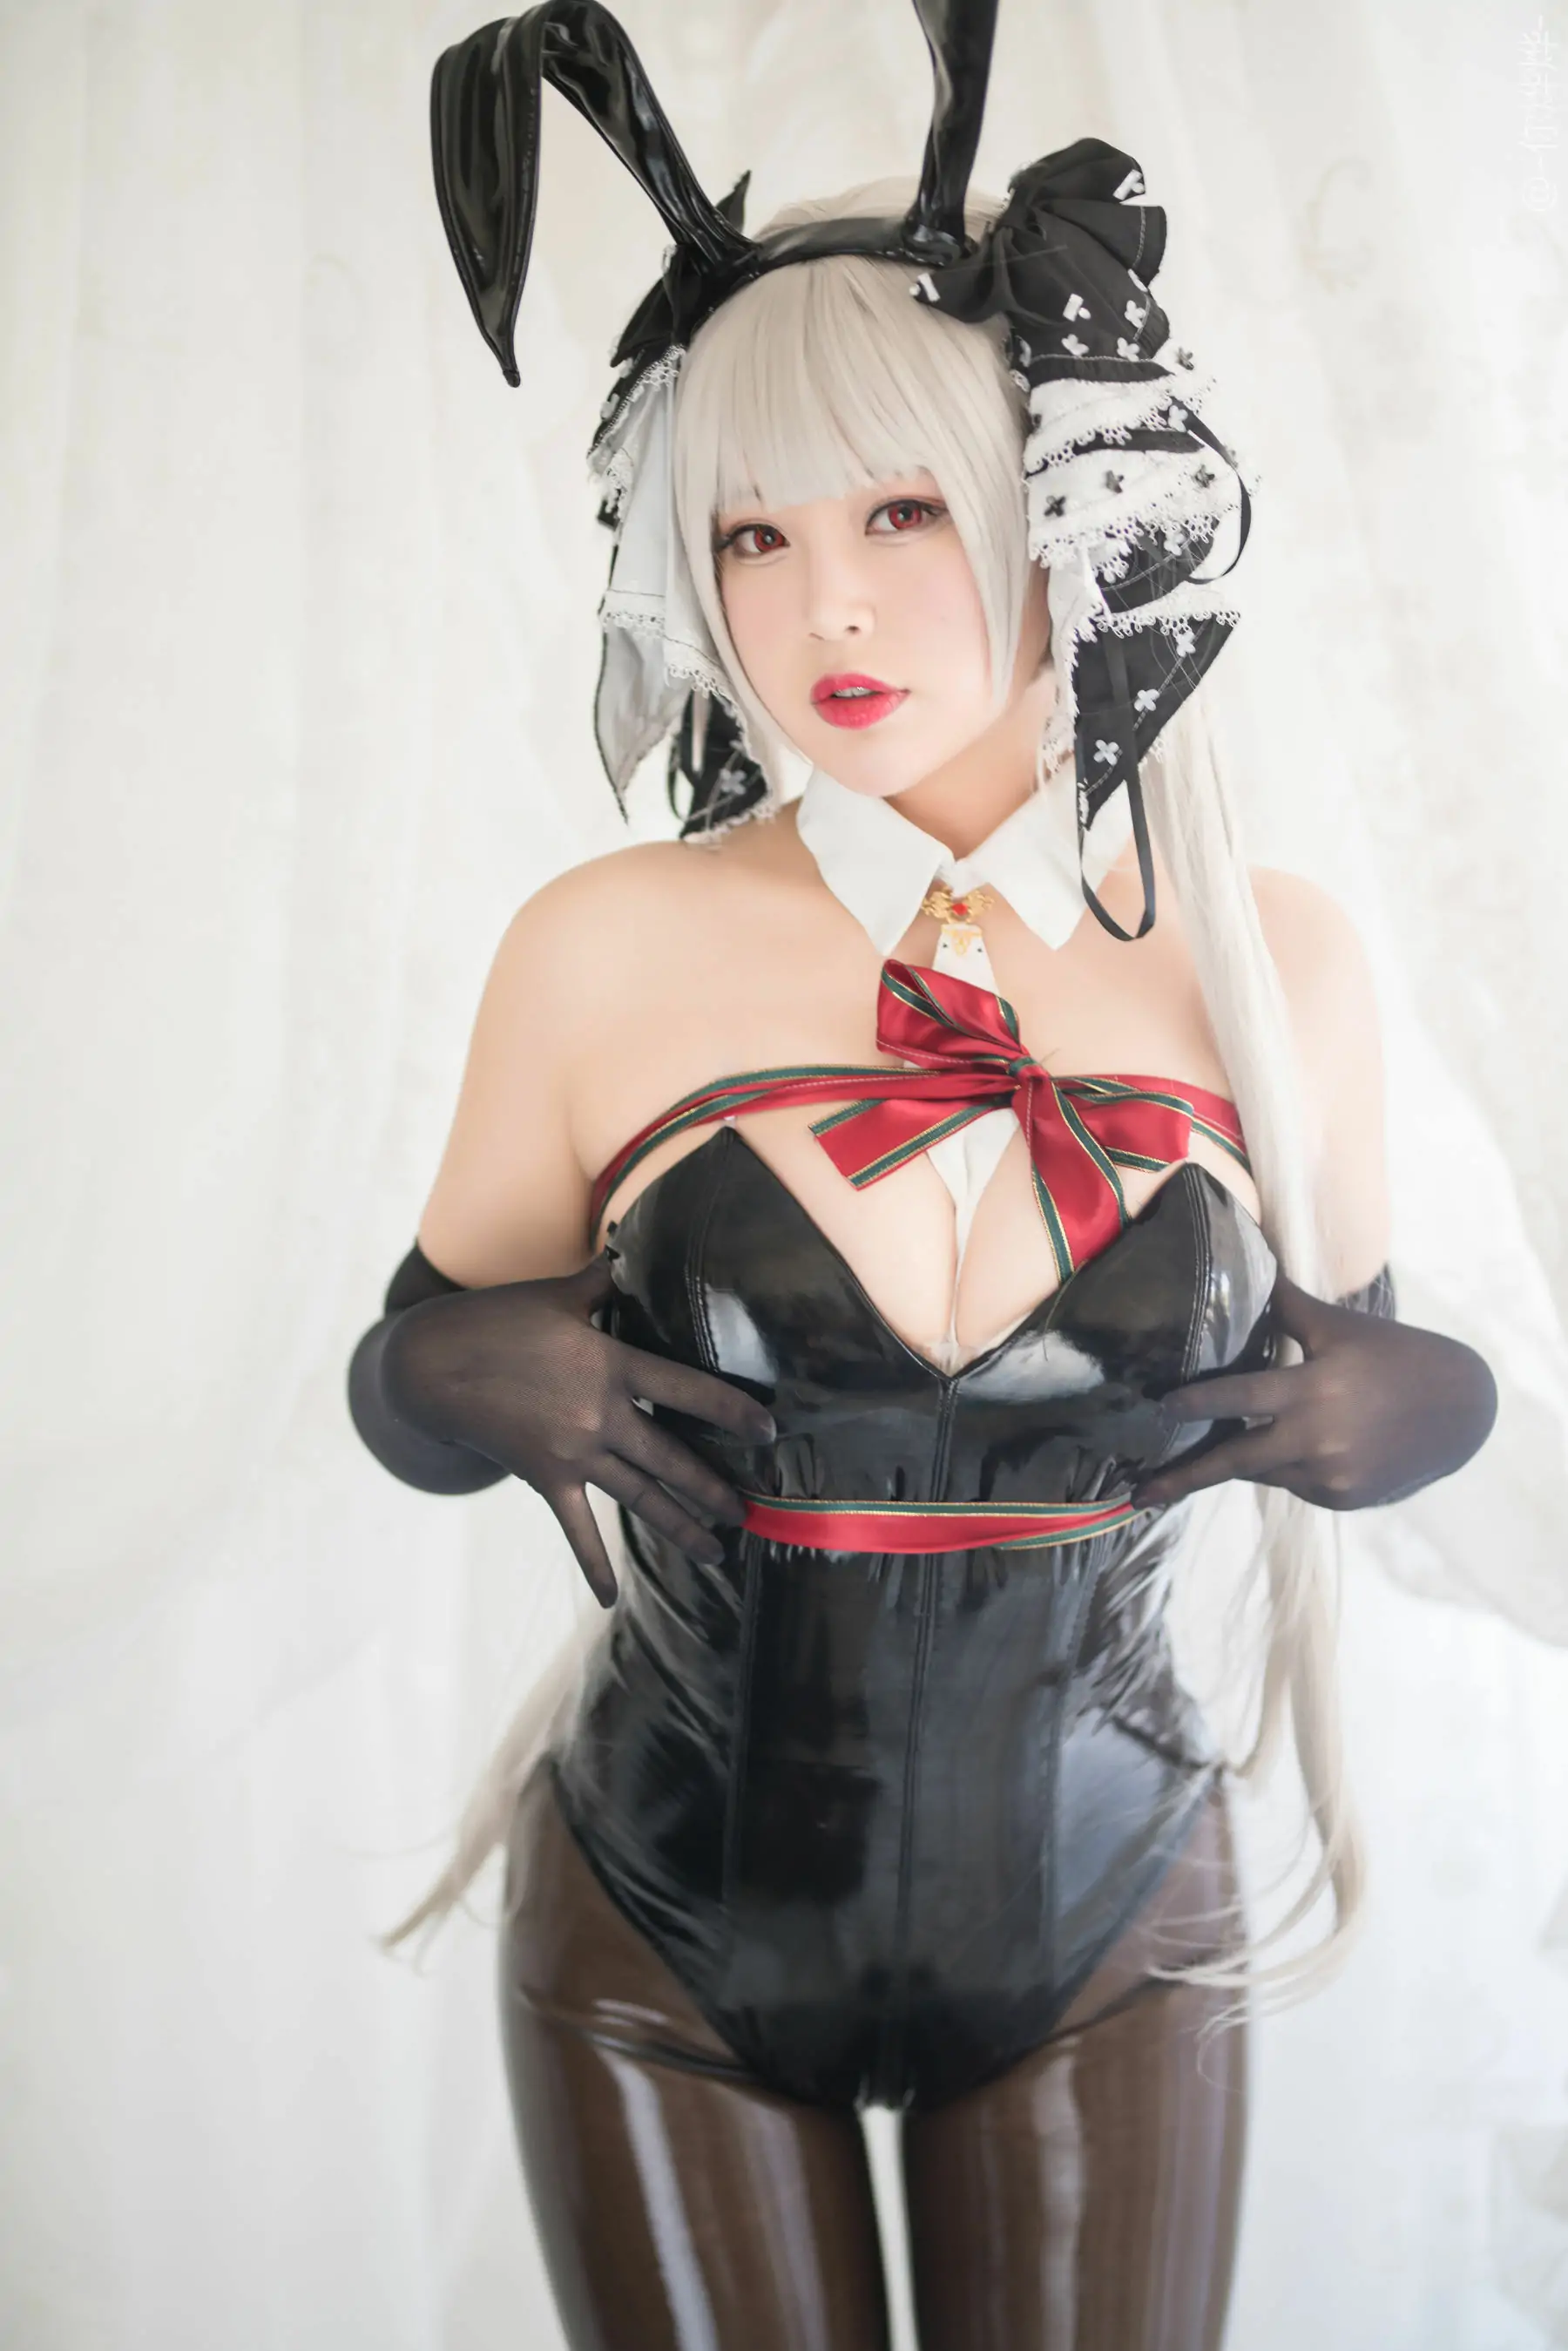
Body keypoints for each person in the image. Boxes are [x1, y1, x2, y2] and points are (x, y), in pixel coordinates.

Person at [348, 5, 1497, 2343]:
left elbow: (1362, 1374)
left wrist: (1426, 1408)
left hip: (1110, 1922)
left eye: (895, 513)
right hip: (660, 1934)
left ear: (1058, 500)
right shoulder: (603, 946)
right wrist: (456, 1378)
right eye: (752, 538)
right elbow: (412, 1372)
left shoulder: (1267, 956)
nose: (825, 613)